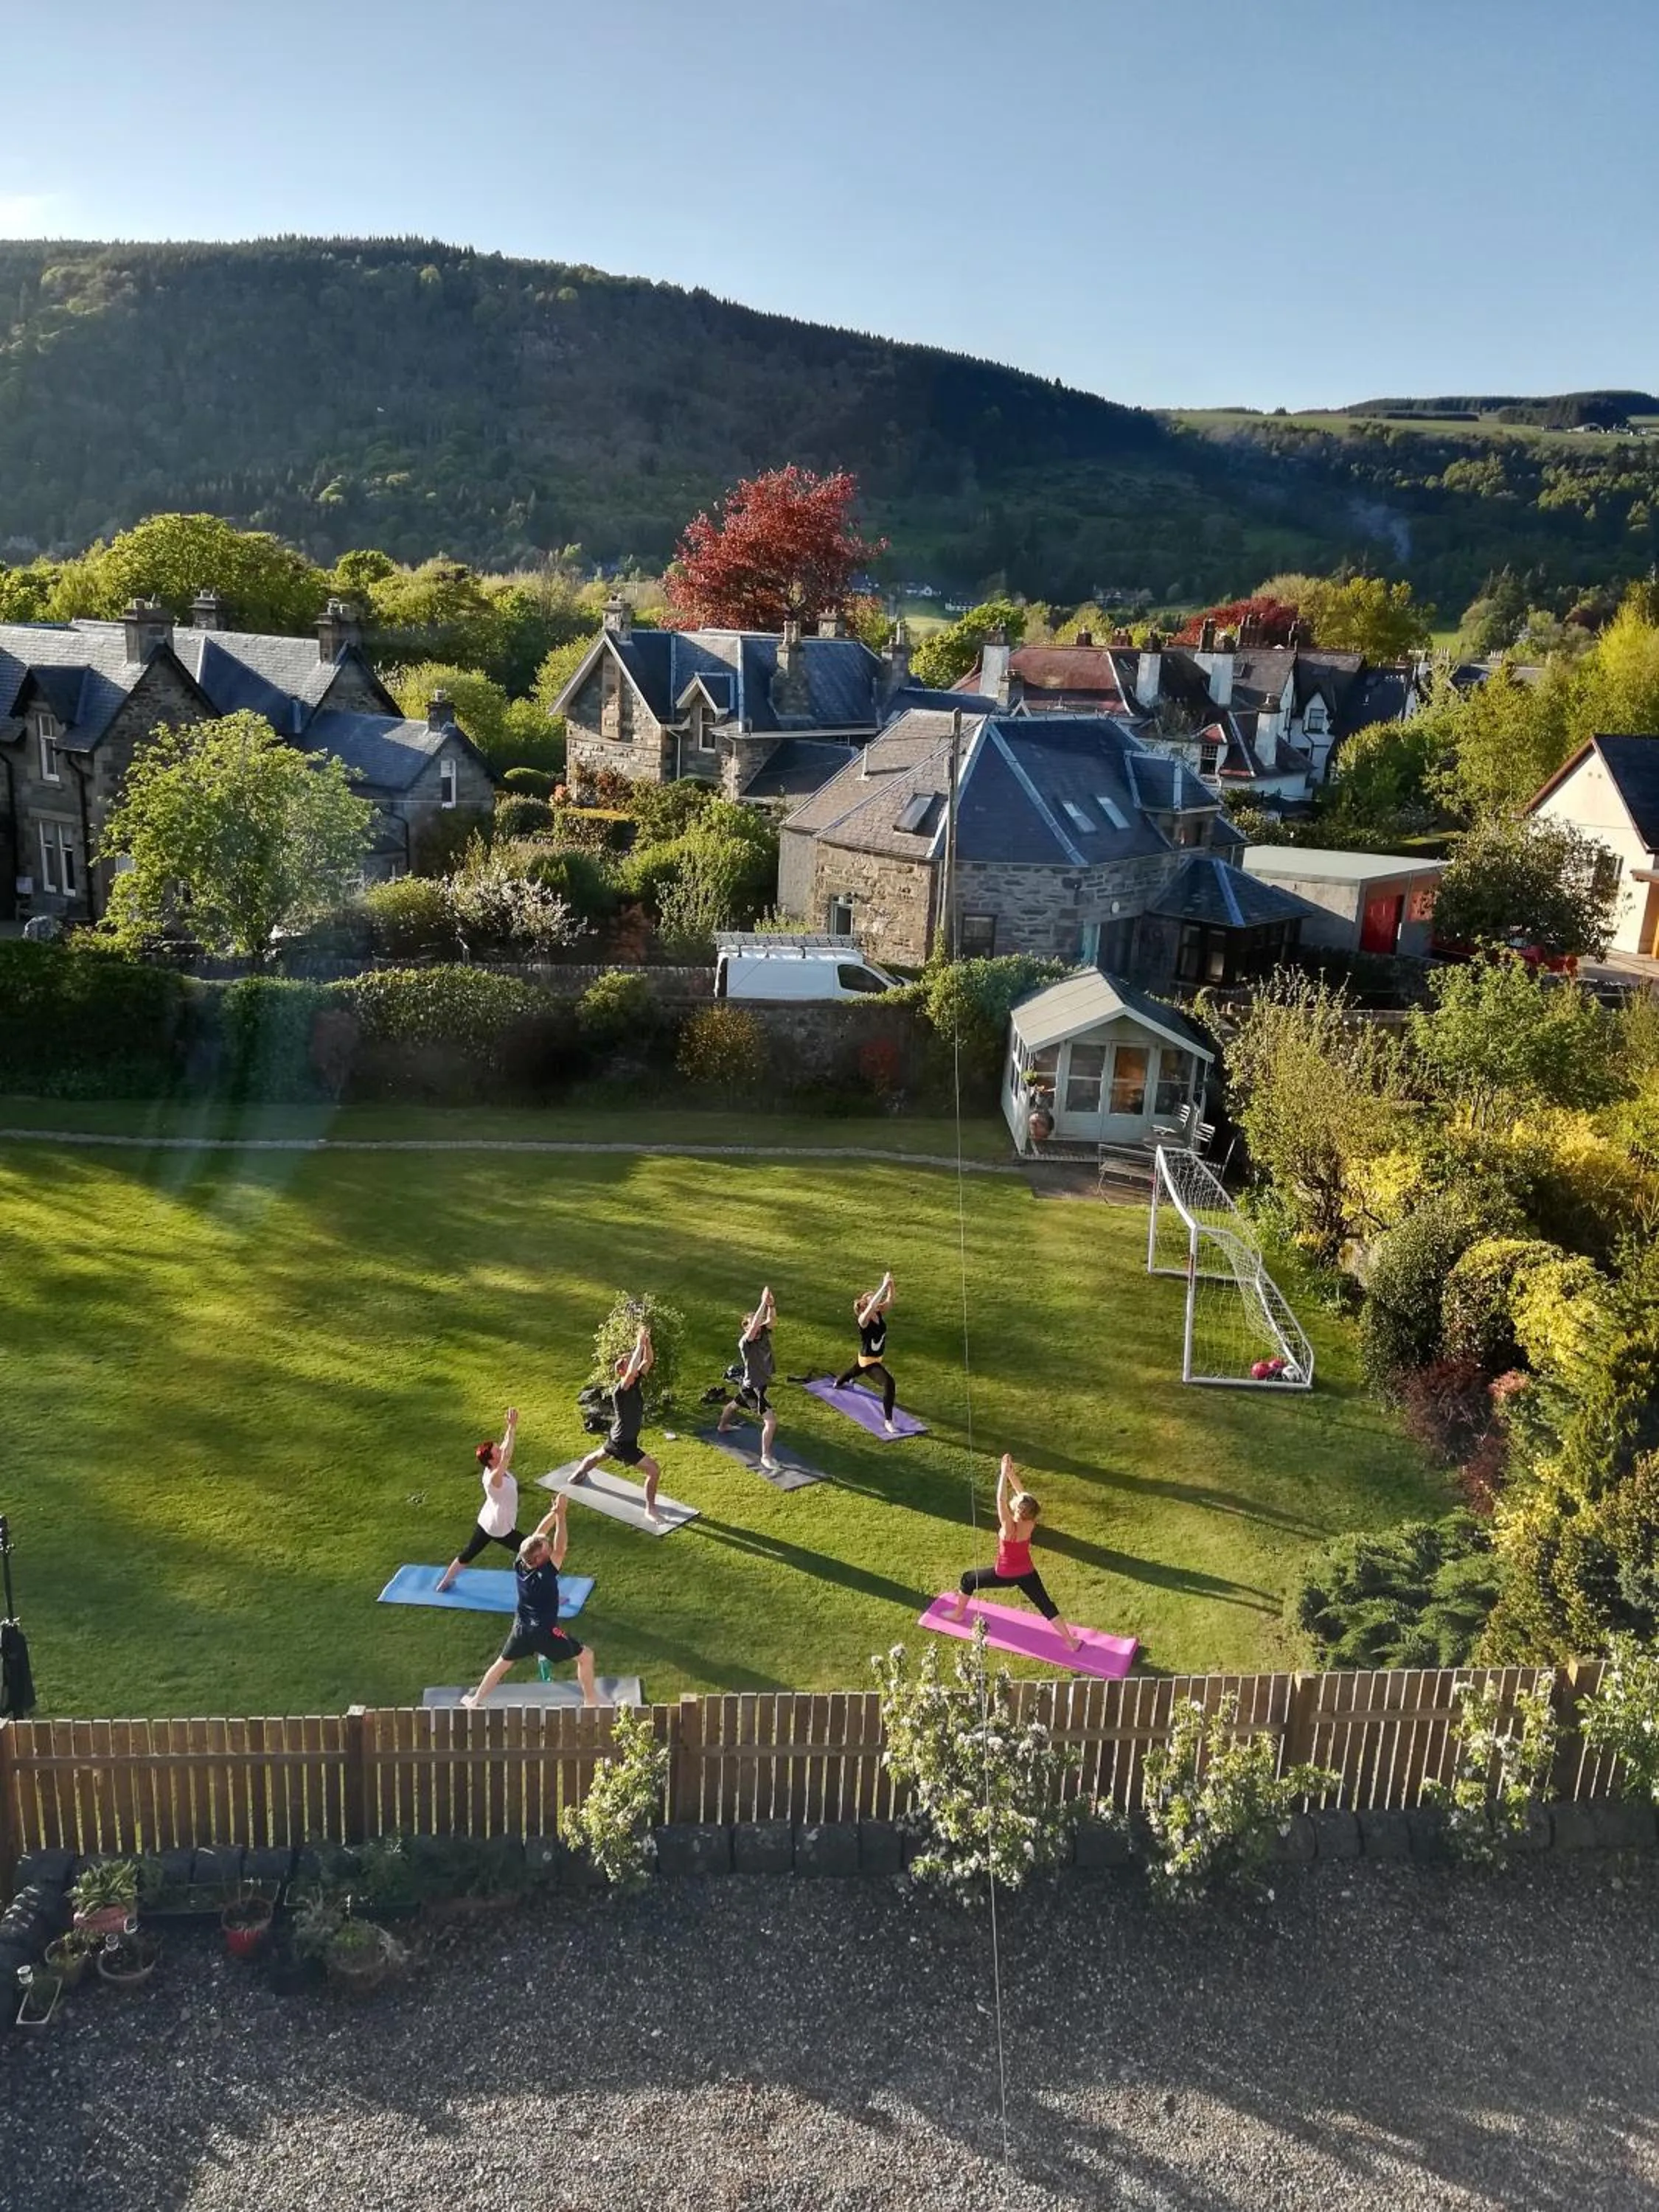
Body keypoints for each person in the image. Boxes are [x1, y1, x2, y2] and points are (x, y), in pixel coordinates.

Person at [462, 1495, 597, 1708]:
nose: (549, 1545)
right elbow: (561, 1548)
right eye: (546, 1548)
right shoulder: (545, 1574)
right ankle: (591, 1703)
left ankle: (475, 1700)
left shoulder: (521, 1561)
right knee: (586, 1656)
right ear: (539, 1560)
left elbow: (538, 1534)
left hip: (522, 1628)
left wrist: (554, 1513)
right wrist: (561, 1515)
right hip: (545, 1632)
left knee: (502, 1664)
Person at [948, 1453, 1082, 1652]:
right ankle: (1070, 1642)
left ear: (1018, 1510)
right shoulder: (1031, 1521)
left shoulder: (1008, 1526)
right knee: (1045, 1604)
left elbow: (1000, 1498)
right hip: (1027, 1572)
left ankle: (958, 1614)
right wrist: (1011, 1473)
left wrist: (1003, 1473)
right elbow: (1024, 1495)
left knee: (968, 1579)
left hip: (1004, 1574)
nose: (1015, 1499)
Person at [568, 1319, 662, 1522]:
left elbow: (649, 1361)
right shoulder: (621, 1389)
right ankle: (650, 1510)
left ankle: (577, 1475)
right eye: (630, 1364)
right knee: (654, 1471)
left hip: (618, 1435)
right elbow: (632, 1370)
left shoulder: (635, 1381)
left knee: (600, 1455)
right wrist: (638, 1344)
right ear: (621, 1371)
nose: (634, 1366)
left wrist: (646, 1343)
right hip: (624, 1442)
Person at [436, 1408, 524, 1592]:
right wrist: (513, 1427)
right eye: (496, 1451)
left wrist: (510, 1427)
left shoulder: (493, 1468)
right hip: (500, 1528)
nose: (500, 1450)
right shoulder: (494, 1478)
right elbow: (507, 1454)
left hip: (486, 1520)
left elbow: (506, 1448)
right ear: (492, 1461)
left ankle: (444, 1583)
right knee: (534, 1551)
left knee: (468, 1553)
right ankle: (554, 1595)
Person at [717, 1284, 779, 1472]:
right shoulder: (746, 1341)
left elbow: (772, 1320)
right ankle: (766, 1456)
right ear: (745, 1327)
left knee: (735, 1404)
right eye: (754, 1323)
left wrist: (771, 1304)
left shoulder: (762, 1333)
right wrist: (762, 1303)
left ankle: (722, 1427)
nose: (758, 1326)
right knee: (771, 1421)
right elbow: (753, 1328)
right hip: (753, 1388)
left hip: (752, 1383)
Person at [834, 1270, 898, 1434]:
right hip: (870, 1361)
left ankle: (839, 1382)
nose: (876, 1301)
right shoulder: (863, 1320)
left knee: (853, 1371)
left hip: (870, 1357)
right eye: (871, 1299)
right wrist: (883, 1285)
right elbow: (872, 1305)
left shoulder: (878, 1313)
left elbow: (890, 1301)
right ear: (864, 1306)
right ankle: (888, 1421)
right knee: (889, 1383)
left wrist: (891, 1285)